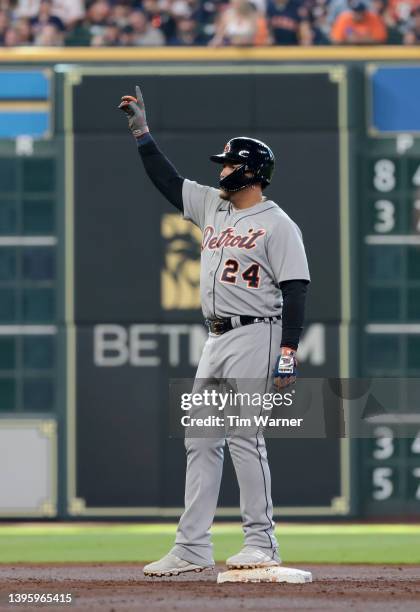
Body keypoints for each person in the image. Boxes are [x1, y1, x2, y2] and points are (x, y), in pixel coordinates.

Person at [119, 87, 310, 577]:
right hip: (217, 336)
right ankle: (191, 547)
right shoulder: (213, 207)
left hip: (258, 332)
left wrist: (288, 350)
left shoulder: (277, 223)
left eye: (228, 164)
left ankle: (261, 543)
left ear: (249, 171)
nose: (221, 170)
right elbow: (166, 179)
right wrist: (142, 134)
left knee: (245, 435)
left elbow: (295, 289)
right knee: (200, 437)